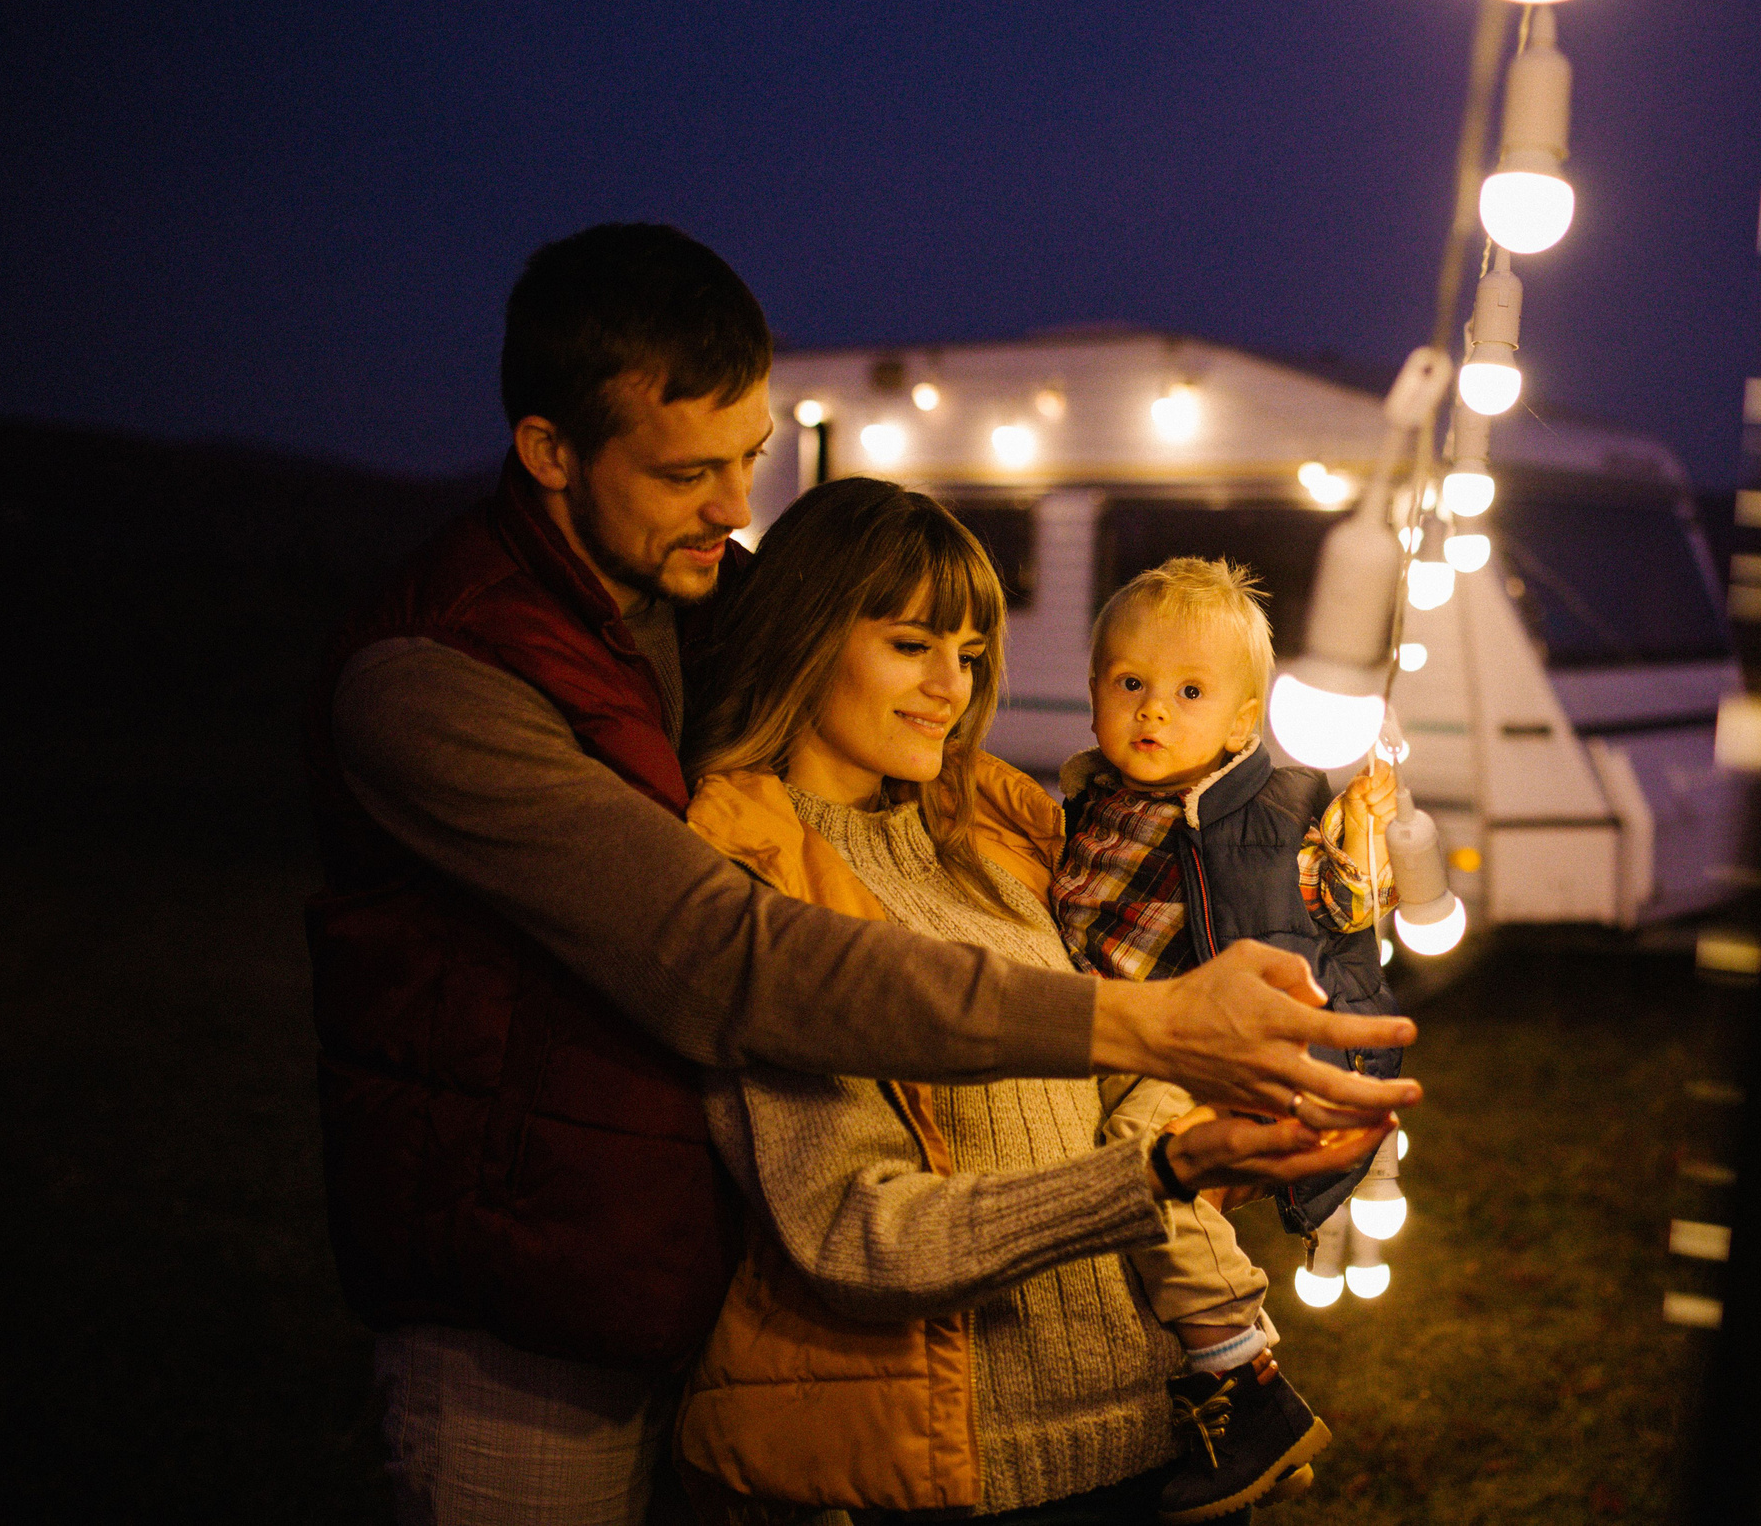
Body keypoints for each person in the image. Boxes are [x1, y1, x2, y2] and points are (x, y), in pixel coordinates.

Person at [304, 223, 1417, 1526]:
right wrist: (1144, 1038)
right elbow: (726, 955)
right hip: (528, 1283)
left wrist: (1310, 888)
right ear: (549, 449)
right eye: (688, 469)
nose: (732, 506)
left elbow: (1115, 883)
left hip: (698, 1267)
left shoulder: (735, 624)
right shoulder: (437, 675)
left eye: (750, 458)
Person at [669, 477, 1386, 1524]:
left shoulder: (1010, 835)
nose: (950, 690)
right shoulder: (756, 875)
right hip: (981, 1466)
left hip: (1157, 1431)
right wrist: (1158, 1171)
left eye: (968, 656)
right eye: (913, 645)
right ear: (805, 635)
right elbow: (855, 1235)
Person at [1051, 558, 1401, 1522]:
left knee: (1148, 1165)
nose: (1154, 711)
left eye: (1190, 692)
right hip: (1117, 1040)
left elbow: (1340, 909)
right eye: (1131, 684)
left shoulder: (1267, 812)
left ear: (1242, 724)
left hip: (1211, 1044)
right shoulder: (1084, 803)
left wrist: (1362, 839)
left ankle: (1246, 1384)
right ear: (1093, 695)